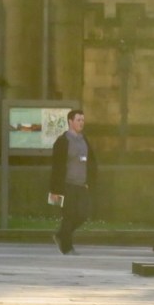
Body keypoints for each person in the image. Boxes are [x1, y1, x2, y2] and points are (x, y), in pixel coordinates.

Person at [48, 109, 98, 255]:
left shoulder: (84, 140)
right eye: (78, 120)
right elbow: (56, 166)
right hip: (67, 185)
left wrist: (89, 180)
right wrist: (55, 190)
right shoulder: (62, 141)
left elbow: (91, 162)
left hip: (82, 185)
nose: (81, 123)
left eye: (83, 120)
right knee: (68, 216)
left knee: (83, 214)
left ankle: (60, 235)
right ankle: (67, 247)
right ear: (70, 121)